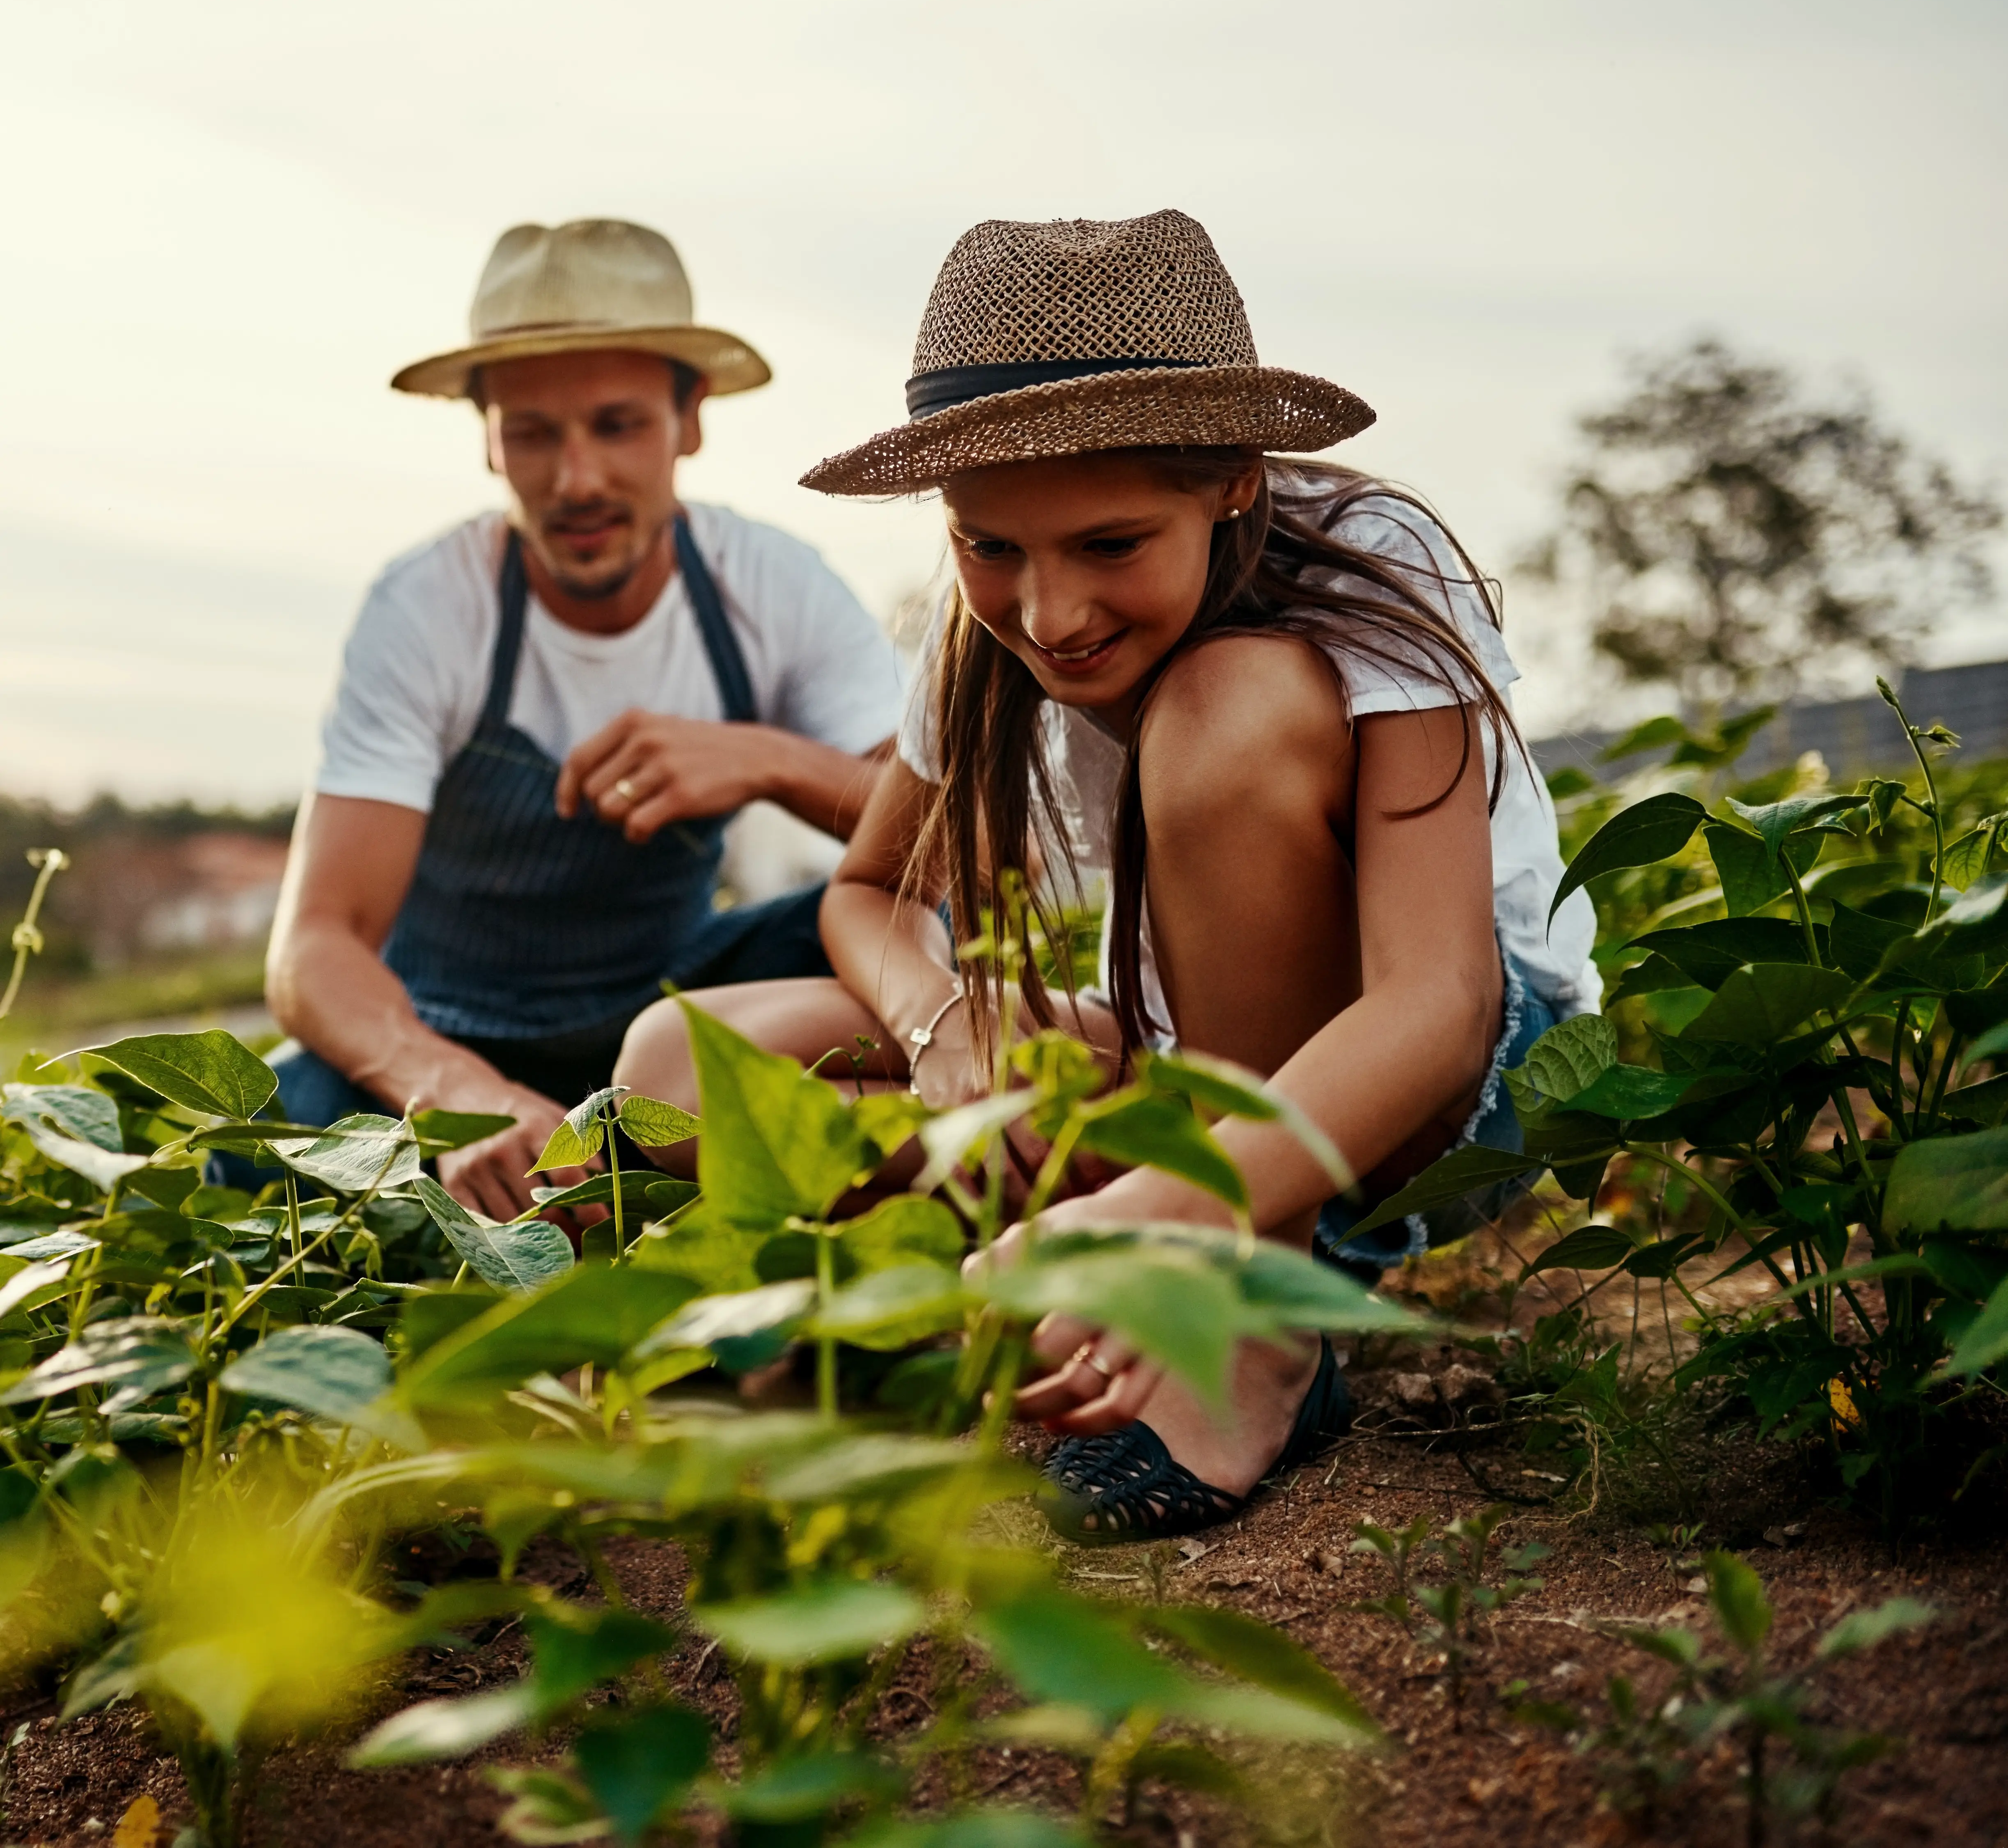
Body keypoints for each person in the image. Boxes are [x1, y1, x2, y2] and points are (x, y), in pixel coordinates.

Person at [614, 209, 1599, 1537]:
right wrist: (944, 1021)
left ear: (1236, 479)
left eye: (1112, 545)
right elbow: (870, 892)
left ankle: (1246, 1320)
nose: (1050, 614)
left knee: (1222, 704)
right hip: (1184, 1067)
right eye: (988, 548)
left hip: (1445, 1093)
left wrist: (1164, 1199)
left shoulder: (1371, 565)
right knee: (678, 1062)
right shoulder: (984, 636)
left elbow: (1432, 1003)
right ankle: (977, 1294)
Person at [258, 218, 904, 1219]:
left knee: (904, 917)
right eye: (533, 433)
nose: (578, 481)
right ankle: (695, 1161)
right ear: (487, 437)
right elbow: (315, 949)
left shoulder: (773, 589)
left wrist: (770, 761)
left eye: (616, 424)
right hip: (453, 1026)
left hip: (669, 1010)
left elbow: (958, 840)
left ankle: (858, 1146)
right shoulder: (428, 608)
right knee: (285, 1119)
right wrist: (461, 1100)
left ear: (690, 419)